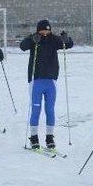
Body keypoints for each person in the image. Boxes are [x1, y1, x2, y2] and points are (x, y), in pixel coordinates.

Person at [19, 19, 74, 150]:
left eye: (47, 30)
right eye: (43, 30)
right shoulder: (35, 38)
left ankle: (49, 137)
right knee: (36, 110)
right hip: (36, 80)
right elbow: (22, 46)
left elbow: (69, 44)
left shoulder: (54, 40)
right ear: (38, 30)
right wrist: (32, 39)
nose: (45, 32)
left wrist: (67, 39)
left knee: (50, 109)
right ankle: (34, 137)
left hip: (51, 80)